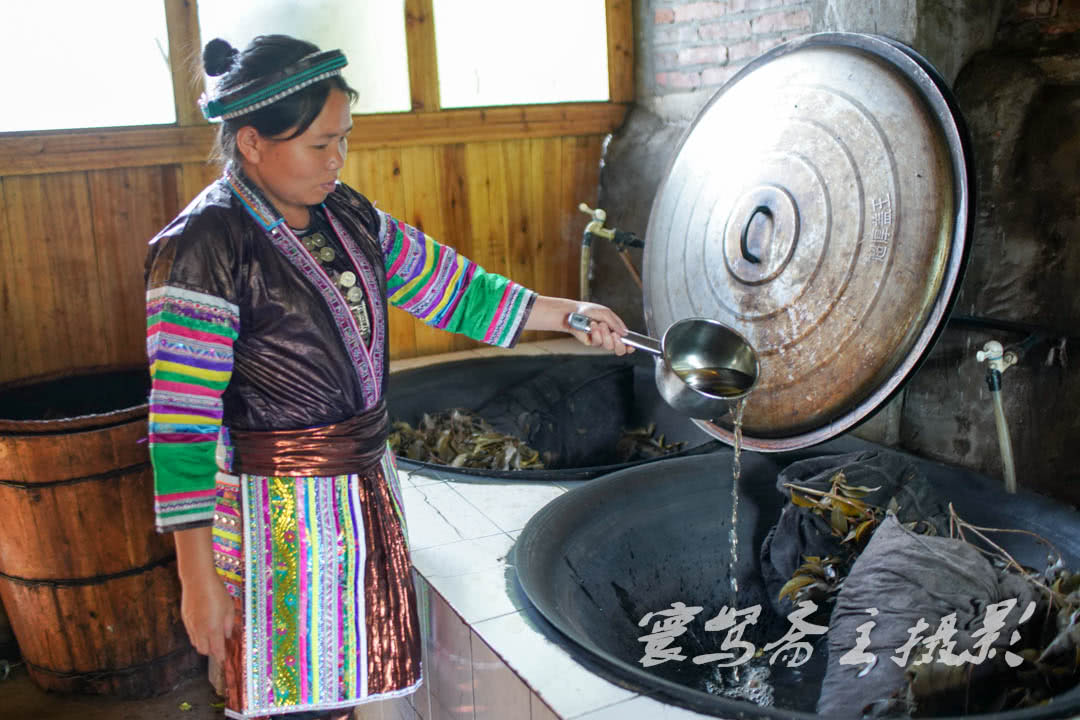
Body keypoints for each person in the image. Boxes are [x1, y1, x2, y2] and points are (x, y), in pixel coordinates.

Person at [145, 35, 632, 720]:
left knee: (349, 687)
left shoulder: (346, 214)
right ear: (251, 142)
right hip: (273, 516)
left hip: (361, 497)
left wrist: (568, 313)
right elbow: (180, 425)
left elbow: (452, 286)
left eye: (344, 138)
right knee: (284, 693)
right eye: (319, 145)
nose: (338, 159)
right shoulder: (202, 247)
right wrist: (197, 578)